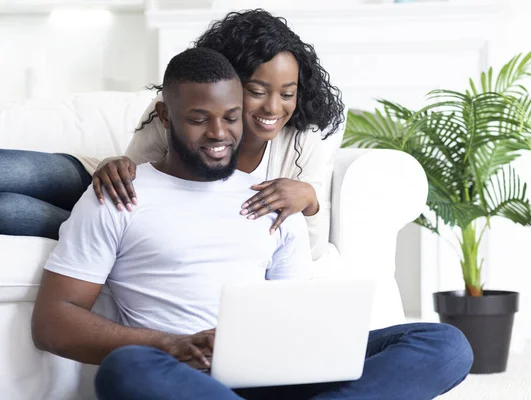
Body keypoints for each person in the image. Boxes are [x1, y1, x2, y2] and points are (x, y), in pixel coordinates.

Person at [32, 47, 472, 400]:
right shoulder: (120, 194)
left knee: (444, 345)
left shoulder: (272, 198)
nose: (219, 133)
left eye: (230, 117)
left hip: (276, 372)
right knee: (126, 370)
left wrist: (310, 345)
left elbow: (295, 312)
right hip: (183, 373)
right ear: (166, 116)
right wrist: (168, 344)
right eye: (198, 119)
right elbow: (53, 322)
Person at [0, 9, 345, 261]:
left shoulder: (301, 143)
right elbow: (132, 176)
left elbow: (310, 254)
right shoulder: (177, 113)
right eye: (257, 90)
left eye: (287, 94)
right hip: (104, 187)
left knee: (9, 210)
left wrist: (310, 201)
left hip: (130, 224)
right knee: (11, 170)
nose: (273, 108)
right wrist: (114, 166)